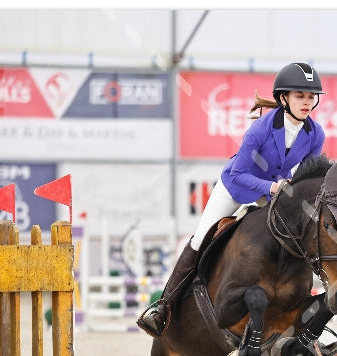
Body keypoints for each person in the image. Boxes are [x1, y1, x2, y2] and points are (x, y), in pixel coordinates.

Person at [137, 62, 326, 337]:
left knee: (300, 236)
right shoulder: (261, 129)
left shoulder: (315, 134)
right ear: (283, 98)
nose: (307, 102)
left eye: (311, 97)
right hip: (237, 187)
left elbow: (308, 176)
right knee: (201, 238)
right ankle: (163, 306)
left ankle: (304, 311)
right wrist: (272, 188)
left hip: (273, 193)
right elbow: (239, 173)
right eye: (300, 96)